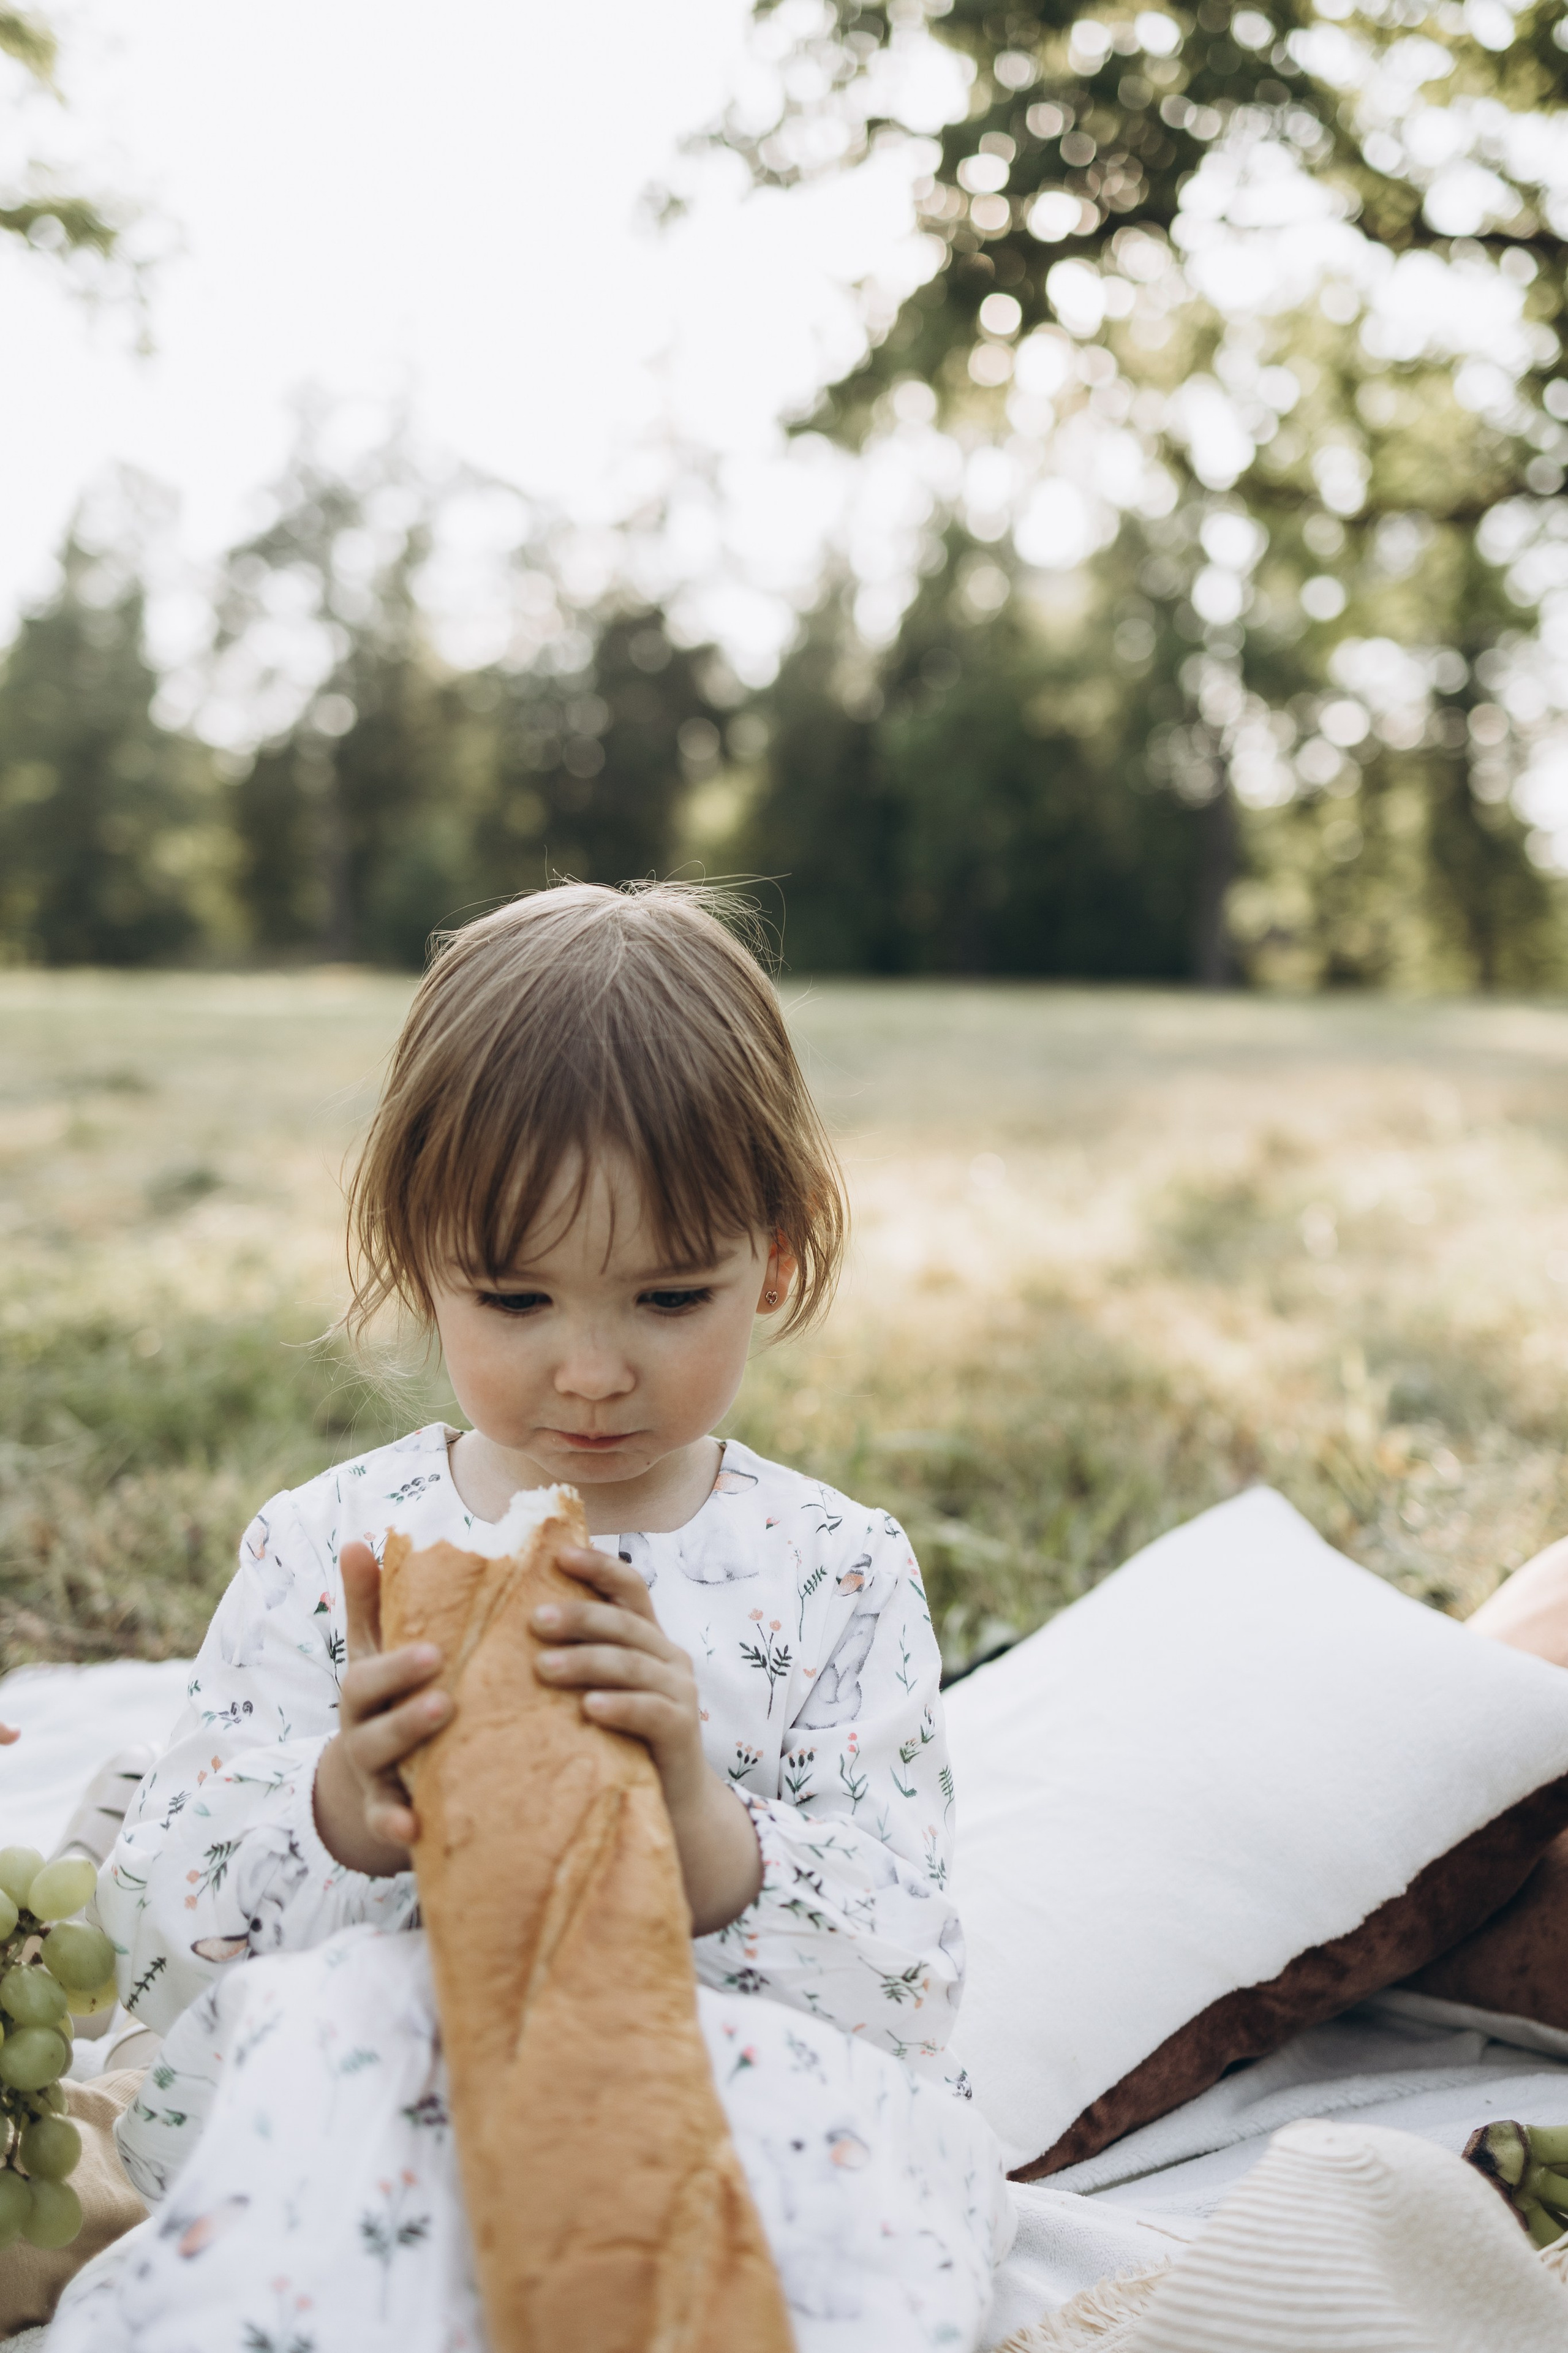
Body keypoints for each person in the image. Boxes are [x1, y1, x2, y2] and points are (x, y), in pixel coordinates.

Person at [51, 882, 1012, 2352]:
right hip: (384, 2089)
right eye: (512, 1298)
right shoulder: (331, 1549)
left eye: (666, 1296)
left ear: (778, 1255)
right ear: (417, 1260)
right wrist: (338, 1808)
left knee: (840, 2197)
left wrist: (697, 1819)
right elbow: (155, 1930)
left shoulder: (835, 1571)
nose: (589, 1372)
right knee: (314, 2128)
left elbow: (909, 1974)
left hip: (712, 2100)